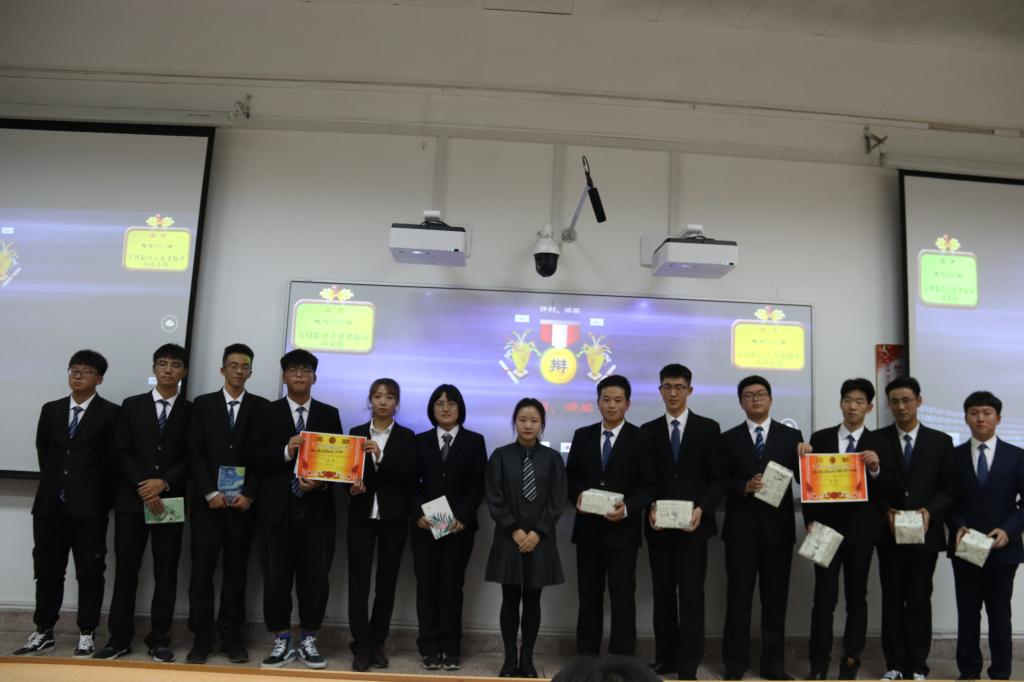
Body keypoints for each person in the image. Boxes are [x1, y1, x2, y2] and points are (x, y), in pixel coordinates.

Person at [14, 350, 120, 657]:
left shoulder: (111, 414)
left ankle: (87, 632)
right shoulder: (51, 410)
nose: (78, 375)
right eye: (74, 369)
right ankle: (43, 630)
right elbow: (44, 452)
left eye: (86, 371)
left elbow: (113, 462)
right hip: (50, 506)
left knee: (89, 572)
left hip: (89, 509)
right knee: (47, 571)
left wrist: (97, 497)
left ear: (99, 379)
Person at [245, 349, 342, 669]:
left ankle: (309, 638)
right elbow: (253, 455)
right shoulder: (266, 412)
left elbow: (339, 464)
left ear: (314, 377)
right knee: (276, 577)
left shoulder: (329, 414)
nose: (299, 375)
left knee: (316, 577)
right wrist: (286, 450)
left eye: (305, 370)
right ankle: (282, 638)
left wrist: (321, 483)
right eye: (293, 370)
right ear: (284, 376)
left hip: (317, 510)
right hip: (275, 509)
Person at [96, 343, 192, 662]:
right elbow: (120, 450)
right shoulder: (132, 405)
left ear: (184, 371)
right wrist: (145, 485)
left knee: (166, 572)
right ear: (153, 369)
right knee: (126, 570)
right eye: (162, 364)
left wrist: (164, 482)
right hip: (131, 501)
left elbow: (193, 456)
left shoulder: (192, 410)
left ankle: (159, 638)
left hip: (170, 502)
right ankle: (119, 638)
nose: (168, 369)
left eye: (175, 365)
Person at [802, 378, 894, 680]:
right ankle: (818, 665)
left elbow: (890, 489)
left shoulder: (880, 442)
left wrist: (876, 468)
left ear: (869, 407)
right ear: (840, 403)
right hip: (824, 531)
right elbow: (809, 484)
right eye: (847, 400)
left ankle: (850, 662)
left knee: (857, 599)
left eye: (859, 402)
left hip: (862, 533)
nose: (852, 407)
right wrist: (809, 520)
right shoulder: (820, 437)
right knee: (823, 599)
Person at [185, 343, 269, 664]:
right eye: (232, 365)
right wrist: (209, 492)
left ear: (250, 372)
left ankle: (231, 637)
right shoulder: (203, 404)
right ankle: (202, 638)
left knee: (237, 574)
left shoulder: (261, 407)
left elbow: (263, 456)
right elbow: (194, 452)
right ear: (222, 370)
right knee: (201, 573)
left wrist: (251, 493)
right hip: (208, 504)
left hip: (242, 506)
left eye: (244, 366)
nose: (238, 371)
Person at [641, 364, 723, 680]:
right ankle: (665, 659)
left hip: (693, 527)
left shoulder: (708, 428)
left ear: (690, 390)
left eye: (679, 387)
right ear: (660, 390)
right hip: (659, 528)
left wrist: (703, 508)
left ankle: (688, 665)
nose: (673, 393)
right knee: (663, 596)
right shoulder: (648, 430)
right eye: (667, 387)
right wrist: (649, 506)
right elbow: (644, 479)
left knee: (691, 597)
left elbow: (717, 479)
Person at [719, 375, 803, 681]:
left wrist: (807, 457)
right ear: (741, 402)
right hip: (740, 531)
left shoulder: (792, 436)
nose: (755, 399)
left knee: (775, 601)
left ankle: (773, 665)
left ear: (771, 399)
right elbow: (720, 480)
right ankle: (735, 665)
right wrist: (744, 486)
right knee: (738, 599)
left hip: (778, 532)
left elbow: (804, 480)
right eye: (748, 395)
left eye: (760, 394)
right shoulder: (728, 438)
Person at [566, 375, 655, 658]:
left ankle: (622, 657)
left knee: (622, 597)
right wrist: (577, 497)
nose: (612, 405)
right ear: (598, 402)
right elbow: (571, 477)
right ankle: (586, 655)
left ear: (627, 404)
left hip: (623, 532)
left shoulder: (642, 438)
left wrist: (627, 508)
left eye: (618, 400)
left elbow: (648, 485)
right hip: (588, 531)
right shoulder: (582, 435)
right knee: (589, 596)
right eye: (606, 399)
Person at [876, 377, 955, 681]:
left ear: (919, 401)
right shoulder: (878, 439)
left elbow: (950, 488)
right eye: (895, 401)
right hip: (890, 533)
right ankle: (895, 664)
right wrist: (886, 510)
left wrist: (930, 511)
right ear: (888, 404)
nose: (901, 406)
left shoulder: (940, 441)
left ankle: (918, 666)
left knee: (920, 598)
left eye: (907, 400)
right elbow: (870, 485)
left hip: (926, 533)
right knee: (892, 598)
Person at [485, 398, 567, 678]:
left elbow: (557, 500)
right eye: (522, 420)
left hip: (540, 540)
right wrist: (515, 529)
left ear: (542, 424)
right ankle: (509, 659)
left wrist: (537, 532)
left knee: (533, 600)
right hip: (509, 538)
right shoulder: (500, 456)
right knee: (509, 599)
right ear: (514, 422)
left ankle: (527, 659)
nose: (528, 425)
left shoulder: (552, 458)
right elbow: (494, 497)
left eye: (534, 420)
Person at [946, 391, 1024, 681]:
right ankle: (969, 672)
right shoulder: (953, 456)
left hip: (1003, 549)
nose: (980, 418)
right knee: (967, 613)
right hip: (965, 546)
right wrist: (957, 525)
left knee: (1000, 615)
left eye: (987, 413)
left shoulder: (1017, 456)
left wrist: (1009, 529)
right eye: (974, 413)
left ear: (998, 418)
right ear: (966, 418)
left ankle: (1001, 673)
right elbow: (947, 499)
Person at [410, 384, 487, 671]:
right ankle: (430, 647)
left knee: (451, 588)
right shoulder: (419, 441)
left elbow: (478, 484)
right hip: (425, 526)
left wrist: (463, 517)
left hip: (458, 528)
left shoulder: (475, 441)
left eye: (451, 403)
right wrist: (418, 514)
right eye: (439, 403)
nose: (445, 408)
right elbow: (410, 483)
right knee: (427, 587)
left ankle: (451, 648)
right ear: (432, 408)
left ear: (460, 409)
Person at [347, 378, 417, 671]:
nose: (383, 402)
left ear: (396, 402)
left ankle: (378, 643)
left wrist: (381, 456)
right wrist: (351, 489)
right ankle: (360, 644)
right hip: (361, 516)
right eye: (377, 396)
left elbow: (410, 477)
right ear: (370, 400)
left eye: (389, 397)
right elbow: (345, 474)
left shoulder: (407, 436)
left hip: (394, 517)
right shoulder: (356, 433)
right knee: (358, 583)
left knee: (386, 584)